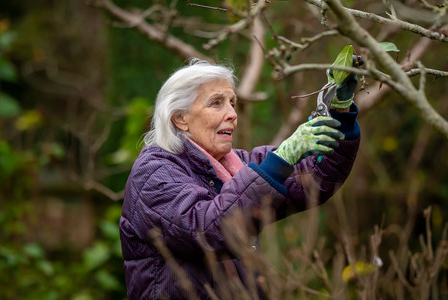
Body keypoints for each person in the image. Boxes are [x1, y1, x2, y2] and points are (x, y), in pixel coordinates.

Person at [119, 58, 361, 300]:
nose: (233, 114)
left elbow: (313, 180)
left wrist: (340, 109)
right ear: (181, 118)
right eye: (216, 103)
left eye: (232, 103)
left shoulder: (235, 164)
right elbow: (207, 231)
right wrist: (283, 157)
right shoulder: (154, 172)